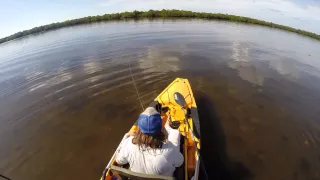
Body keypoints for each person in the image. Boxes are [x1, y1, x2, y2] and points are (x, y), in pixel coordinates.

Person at [116, 107, 184, 176]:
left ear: (139, 128)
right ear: (161, 128)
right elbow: (180, 162)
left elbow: (119, 160)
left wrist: (127, 136)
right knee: (176, 133)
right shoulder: (169, 150)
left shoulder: (129, 144)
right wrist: (167, 131)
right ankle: (169, 128)